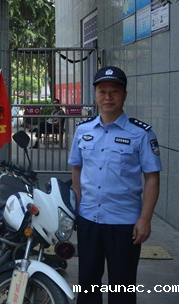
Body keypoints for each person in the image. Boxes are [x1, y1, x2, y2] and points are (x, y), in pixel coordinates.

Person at [69, 66, 161, 304]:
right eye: (102, 91)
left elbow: (152, 177)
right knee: (87, 284)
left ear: (124, 95)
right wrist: (77, 203)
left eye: (115, 91)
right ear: (96, 94)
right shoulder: (83, 130)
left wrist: (145, 219)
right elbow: (76, 167)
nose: (108, 97)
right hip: (89, 218)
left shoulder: (141, 133)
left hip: (124, 223)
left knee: (122, 287)